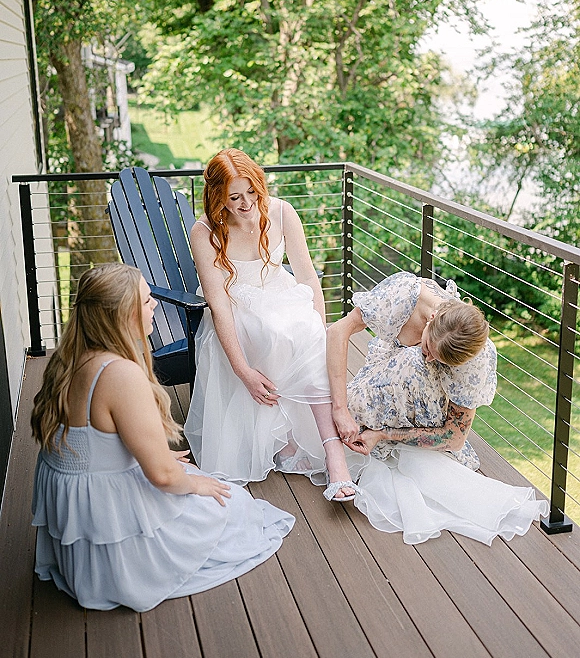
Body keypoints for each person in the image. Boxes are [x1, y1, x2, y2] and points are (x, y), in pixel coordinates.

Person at [30, 264, 294, 612]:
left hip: (82, 513)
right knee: (233, 505)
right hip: (110, 522)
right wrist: (195, 485)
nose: (154, 303)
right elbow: (163, 477)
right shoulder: (120, 374)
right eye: (145, 301)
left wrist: (161, 460)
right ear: (120, 316)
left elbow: (92, 441)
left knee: (205, 484)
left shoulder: (68, 358)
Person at [183, 148, 358, 501]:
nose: (246, 203)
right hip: (235, 311)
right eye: (234, 197)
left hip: (281, 296)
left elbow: (308, 278)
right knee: (273, 330)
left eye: (252, 192)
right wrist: (242, 370)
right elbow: (218, 304)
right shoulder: (204, 233)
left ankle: (335, 458)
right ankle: (285, 438)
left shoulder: (281, 212)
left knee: (305, 329)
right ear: (218, 197)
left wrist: (321, 335)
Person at [326, 271, 549, 544]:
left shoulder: (475, 357)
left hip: (425, 400)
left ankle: (382, 437)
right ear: (431, 318)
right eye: (428, 346)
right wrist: (339, 408)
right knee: (341, 416)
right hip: (384, 380)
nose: (429, 356)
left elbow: (455, 437)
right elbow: (337, 330)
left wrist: (383, 434)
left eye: (439, 359)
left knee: (413, 366)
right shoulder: (403, 296)